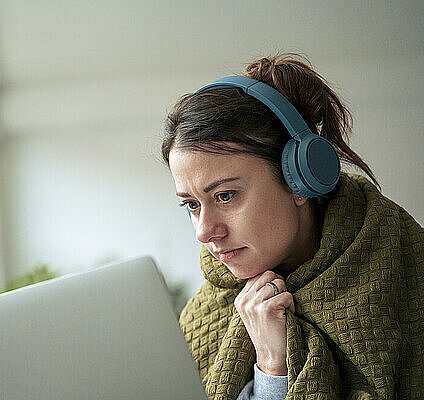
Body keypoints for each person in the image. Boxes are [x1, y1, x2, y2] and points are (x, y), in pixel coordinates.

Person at [161, 53, 424, 399]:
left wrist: (274, 367)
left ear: (299, 182)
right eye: (192, 205)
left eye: (225, 196)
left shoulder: (404, 272)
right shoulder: (213, 305)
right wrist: (272, 366)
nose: (204, 231)